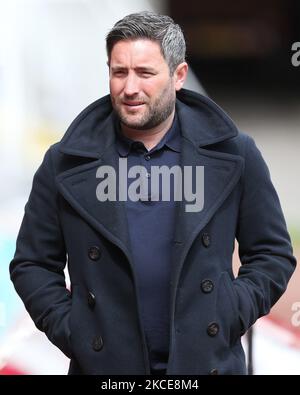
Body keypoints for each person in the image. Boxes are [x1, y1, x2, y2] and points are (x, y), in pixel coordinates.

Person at [10, 11, 296, 375]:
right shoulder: (64, 162)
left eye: (145, 73)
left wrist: (227, 313)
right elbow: (32, 263)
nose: (130, 88)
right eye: (119, 72)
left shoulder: (235, 155)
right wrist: (77, 331)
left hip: (206, 365)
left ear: (178, 76)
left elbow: (272, 254)